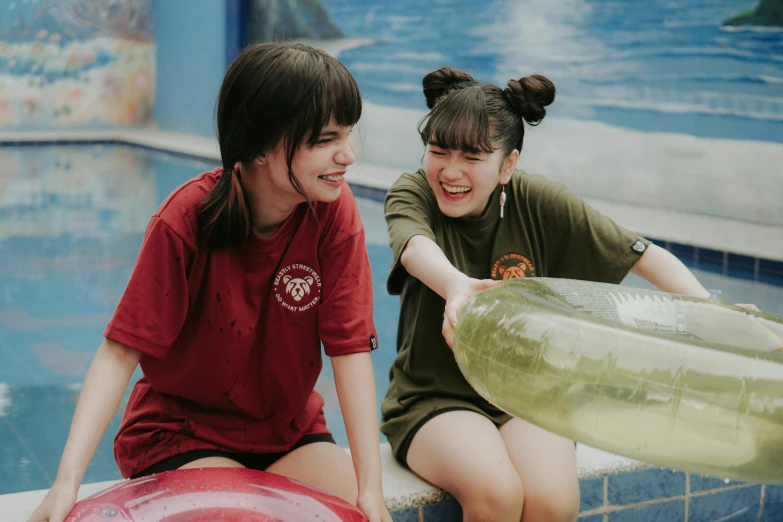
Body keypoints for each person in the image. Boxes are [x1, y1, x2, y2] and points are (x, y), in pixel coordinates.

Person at [29, 43, 391, 522]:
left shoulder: (333, 213)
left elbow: (349, 349)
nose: (347, 155)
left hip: (286, 432)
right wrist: (65, 483)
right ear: (262, 145)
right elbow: (120, 351)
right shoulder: (186, 219)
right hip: (182, 435)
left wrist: (370, 491)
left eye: (348, 135)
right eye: (326, 140)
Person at [379, 67, 758, 522]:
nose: (451, 171)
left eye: (472, 158)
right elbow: (414, 247)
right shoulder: (412, 192)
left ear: (508, 165)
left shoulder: (538, 201)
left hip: (522, 392)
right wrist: (456, 285)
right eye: (437, 151)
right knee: (497, 493)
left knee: (553, 503)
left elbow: (643, 255)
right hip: (433, 396)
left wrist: (715, 314)